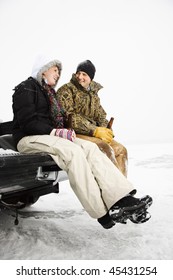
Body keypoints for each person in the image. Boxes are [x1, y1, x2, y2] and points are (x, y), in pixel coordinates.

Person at [12, 54, 152, 230]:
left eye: (58, 72)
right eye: (55, 70)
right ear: (43, 69)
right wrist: (56, 131)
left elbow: (87, 115)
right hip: (27, 138)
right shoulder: (26, 88)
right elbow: (27, 122)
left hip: (48, 136)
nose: (57, 75)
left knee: (91, 149)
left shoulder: (48, 93)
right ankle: (101, 212)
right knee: (74, 153)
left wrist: (97, 129)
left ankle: (121, 199)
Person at [56, 60, 128, 177]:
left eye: (84, 74)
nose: (80, 77)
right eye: (78, 73)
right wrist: (94, 130)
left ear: (91, 78)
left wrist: (106, 130)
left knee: (121, 150)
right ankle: (110, 189)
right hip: (73, 133)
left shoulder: (93, 94)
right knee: (105, 149)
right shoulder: (66, 90)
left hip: (92, 134)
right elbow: (69, 117)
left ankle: (123, 191)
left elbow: (100, 115)